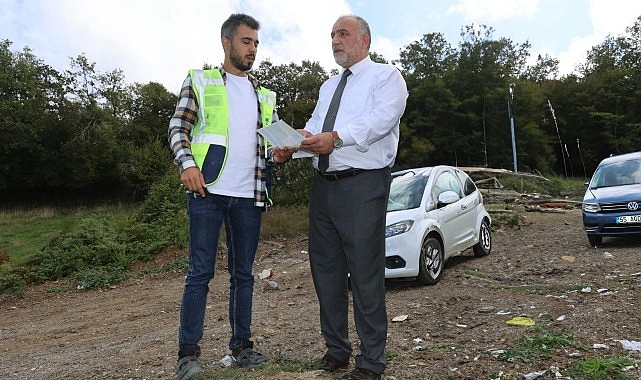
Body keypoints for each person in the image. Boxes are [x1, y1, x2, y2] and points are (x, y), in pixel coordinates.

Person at [281, 14, 408, 380]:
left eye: (343, 33)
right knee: (326, 273)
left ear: (364, 41)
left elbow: (381, 120)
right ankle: (336, 350)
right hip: (324, 187)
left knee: (365, 275)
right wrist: (293, 145)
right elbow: (317, 131)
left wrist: (336, 137)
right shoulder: (327, 86)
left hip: (363, 185)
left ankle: (371, 362)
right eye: (332, 35)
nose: (335, 40)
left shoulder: (387, 77)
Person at [167, 13, 288, 380]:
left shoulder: (265, 96)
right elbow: (178, 126)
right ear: (227, 42)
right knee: (200, 273)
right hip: (208, 192)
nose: (252, 49)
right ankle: (188, 356)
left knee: (244, 275)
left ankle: (241, 348)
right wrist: (187, 164)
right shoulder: (200, 81)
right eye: (246, 42)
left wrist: (281, 152)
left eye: (255, 44)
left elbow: (270, 148)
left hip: (249, 197)